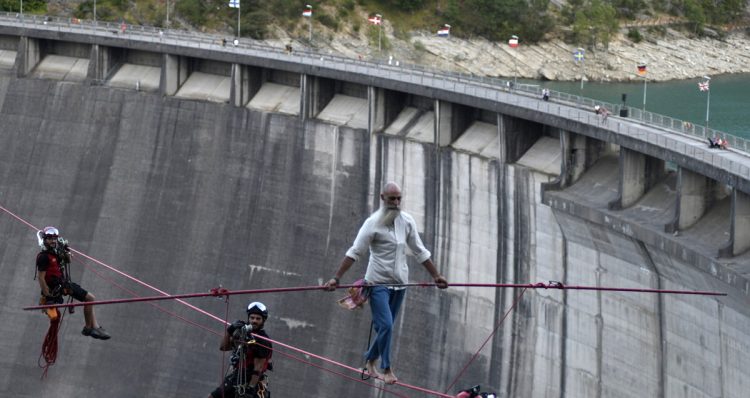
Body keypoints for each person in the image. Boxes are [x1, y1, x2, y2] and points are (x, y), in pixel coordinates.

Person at [323, 182, 448, 385]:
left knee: (385, 328)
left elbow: (419, 250)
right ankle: (386, 368)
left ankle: (369, 360)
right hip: (377, 283)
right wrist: (336, 278)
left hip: (400, 285)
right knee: (387, 325)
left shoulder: (406, 221)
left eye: (399, 198)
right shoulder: (372, 223)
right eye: (392, 199)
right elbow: (355, 252)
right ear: (383, 198)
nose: (396, 202)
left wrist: (436, 276)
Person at [35, 226, 110, 340]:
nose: (53, 240)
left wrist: (66, 252)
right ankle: (89, 328)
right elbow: (41, 278)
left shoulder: (56, 252)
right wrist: (47, 296)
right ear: (45, 239)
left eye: (54, 238)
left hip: (63, 284)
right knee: (90, 298)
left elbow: (68, 261)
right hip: (55, 288)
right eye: (50, 238)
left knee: (90, 299)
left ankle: (94, 327)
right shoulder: (44, 257)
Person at [210, 301, 273, 398]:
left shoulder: (263, 340)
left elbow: (258, 368)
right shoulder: (242, 333)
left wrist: (250, 389)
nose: (254, 321)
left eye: (258, 319)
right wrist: (229, 331)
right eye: (252, 318)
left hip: (252, 380)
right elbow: (223, 347)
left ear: (263, 320)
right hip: (236, 376)